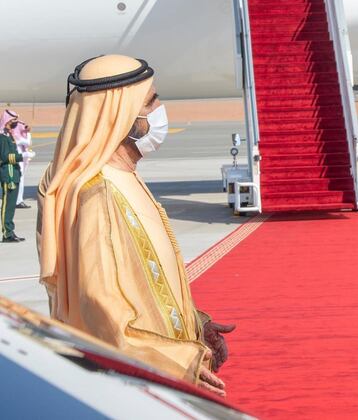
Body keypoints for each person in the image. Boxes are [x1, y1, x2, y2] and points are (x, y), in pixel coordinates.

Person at [37, 55, 235, 396]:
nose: (159, 110)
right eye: (150, 101)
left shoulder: (124, 177)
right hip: (137, 385)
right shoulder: (97, 193)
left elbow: (146, 282)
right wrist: (177, 360)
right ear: (122, 116)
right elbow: (102, 312)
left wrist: (194, 325)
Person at [1, 115, 32, 242]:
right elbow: (5, 156)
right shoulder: (2, 137)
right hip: (8, 174)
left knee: (12, 205)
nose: (15, 123)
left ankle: (10, 231)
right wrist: (22, 156)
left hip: (14, 173)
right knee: (7, 205)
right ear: (7, 121)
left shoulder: (9, 135)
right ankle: (7, 233)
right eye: (13, 121)